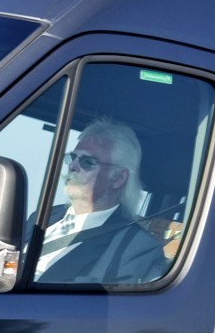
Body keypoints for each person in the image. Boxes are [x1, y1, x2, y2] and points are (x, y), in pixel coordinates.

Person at [33, 117, 169, 285]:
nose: (73, 166)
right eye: (73, 157)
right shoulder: (42, 216)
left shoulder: (137, 248)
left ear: (118, 178)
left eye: (87, 161)